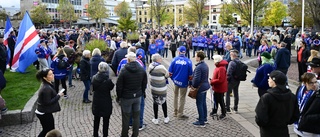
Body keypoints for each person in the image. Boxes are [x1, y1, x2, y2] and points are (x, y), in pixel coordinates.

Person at [255, 70, 299, 137]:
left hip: (268, 132)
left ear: (274, 81)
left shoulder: (267, 97)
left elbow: (260, 119)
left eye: (269, 78)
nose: (268, 80)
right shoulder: (292, 96)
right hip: (283, 131)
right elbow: (295, 115)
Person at [116, 52, 147, 137]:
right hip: (137, 96)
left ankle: (124, 135)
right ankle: (135, 134)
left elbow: (119, 85)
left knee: (126, 117)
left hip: (126, 97)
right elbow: (144, 83)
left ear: (128, 59)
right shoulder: (141, 69)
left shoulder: (124, 70)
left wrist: (119, 96)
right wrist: (142, 92)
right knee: (136, 116)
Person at [35, 69, 64, 137]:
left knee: (48, 129)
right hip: (43, 113)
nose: (53, 75)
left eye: (52, 73)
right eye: (50, 75)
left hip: (45, 111)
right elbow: (47, 102)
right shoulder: (46, 88)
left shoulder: (48, 84)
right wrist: (58, 95)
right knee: (48, 130)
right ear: (45, 77)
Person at [168, 46, 193, 119]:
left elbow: (170, 72)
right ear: (185, 52)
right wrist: (190, 82)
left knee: (175, 96)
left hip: (175, 81)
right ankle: (180, 113)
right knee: (182, 98)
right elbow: (191, 74)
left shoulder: (174, 60)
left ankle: (175, 112)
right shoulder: (188, 61)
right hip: (184, 82)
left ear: (178, 52)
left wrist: (173, 79)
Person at [91, 62, 114, 137]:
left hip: (97, 101)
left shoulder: (94, 78)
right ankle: (105, 135)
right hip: (106, 102)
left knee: (96, 120)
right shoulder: (108, 80)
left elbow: (93, 88)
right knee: (106, 121)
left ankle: (95, 134)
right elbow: (111, 87)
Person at [149, 53, 170, 125]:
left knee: (155, 103)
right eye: (160, 58)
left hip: (154, 88)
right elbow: (167, 74)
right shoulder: (161, 67)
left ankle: (156, 118)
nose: (161, 59)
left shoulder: (150, 66)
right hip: (161, 88)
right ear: (157, 59)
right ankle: (166, 117)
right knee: (163, 102)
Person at [190, 51, 210, 127]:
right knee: (203, 103)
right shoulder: (205, 65)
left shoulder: (199, 67)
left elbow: (196, 79)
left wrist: (193, 85)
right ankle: (204, 118)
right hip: (205, 86)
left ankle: (201, 121)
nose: (195, 57)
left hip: (200, 88)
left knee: (199, 104)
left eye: (196, 56)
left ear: (199, 57)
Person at [210, 55, 228, 119]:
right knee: (216, 100)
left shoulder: (221, 68)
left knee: (220, 100)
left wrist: (212, 81)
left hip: (220, 87)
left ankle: (223, 113)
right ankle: (214, 110)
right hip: (217, 87)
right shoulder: (218, 67)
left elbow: (220, 80)